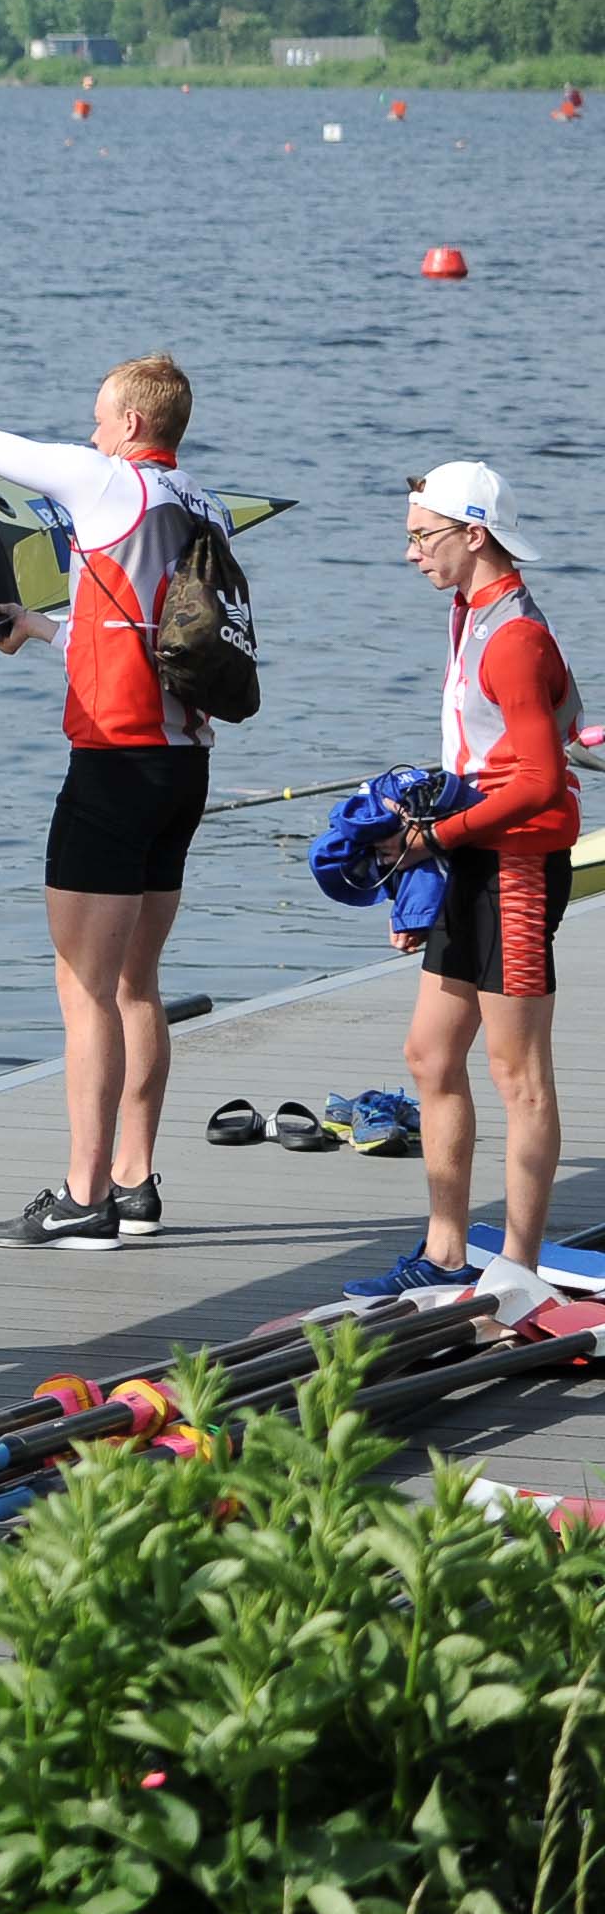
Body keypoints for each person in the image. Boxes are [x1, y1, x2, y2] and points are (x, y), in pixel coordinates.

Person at [0, 359, 232, 1252]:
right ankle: (134, 1184)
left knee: (84, 991)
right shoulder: (204, 506)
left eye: (98, 419)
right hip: (182, 767)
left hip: (113, 768)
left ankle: (83, 1199)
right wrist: (44, 629)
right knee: (136, 985)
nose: (89, 434)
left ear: (130, 423)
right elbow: (153, 633)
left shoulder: (108, 481)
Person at [347, 463, 576, 1300]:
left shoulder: (514, 636)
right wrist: (430, 853)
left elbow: (540, 782)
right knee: (429, 1054)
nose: (411, 552)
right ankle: (446, 1252)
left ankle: (519, 1269)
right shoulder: (468, 612)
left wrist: (432, 838)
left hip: (517, 870)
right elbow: (503, 747)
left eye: (422, 536)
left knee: (520, 1077)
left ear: (474, 534)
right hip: (472, 856)